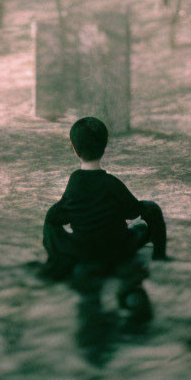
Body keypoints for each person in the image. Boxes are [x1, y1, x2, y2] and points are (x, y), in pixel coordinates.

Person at [40, 117, 168, 302]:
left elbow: (55, 216)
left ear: (74, 148)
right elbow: (134, 211)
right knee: (144, 219)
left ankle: (58, 260)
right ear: (105, 146)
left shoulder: (74, 183)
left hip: (84, 250)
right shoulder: (111, 183)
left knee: (50, 220)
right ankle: (159, 258)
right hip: (118, 249)